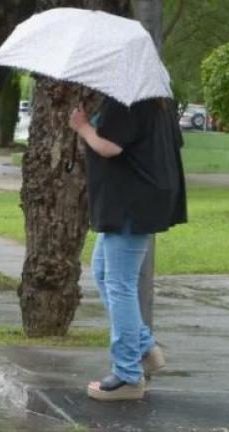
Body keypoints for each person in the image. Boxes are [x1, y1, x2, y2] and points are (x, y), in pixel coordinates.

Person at [69, 96, 187, 402]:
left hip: (130, 203)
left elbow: (110, 146)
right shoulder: (157, 101)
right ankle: (144, 348)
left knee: (119, 283)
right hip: (137, 199)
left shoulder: (127, 101)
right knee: (104, 272)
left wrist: (82, 128)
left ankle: (128, 375)